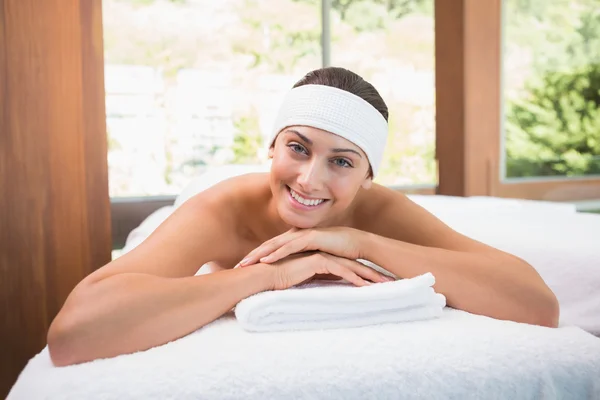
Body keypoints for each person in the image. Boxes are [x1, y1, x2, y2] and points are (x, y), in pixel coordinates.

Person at [47, 67, 559, 367]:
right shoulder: (222, 209)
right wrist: (267, 276)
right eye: (297, 147)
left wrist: (360, 243)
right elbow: (74, 334)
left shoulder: (380, 211)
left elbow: (538, 306)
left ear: (367, 178)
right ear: (270, 148)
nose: (310, 180)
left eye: (341, 161)